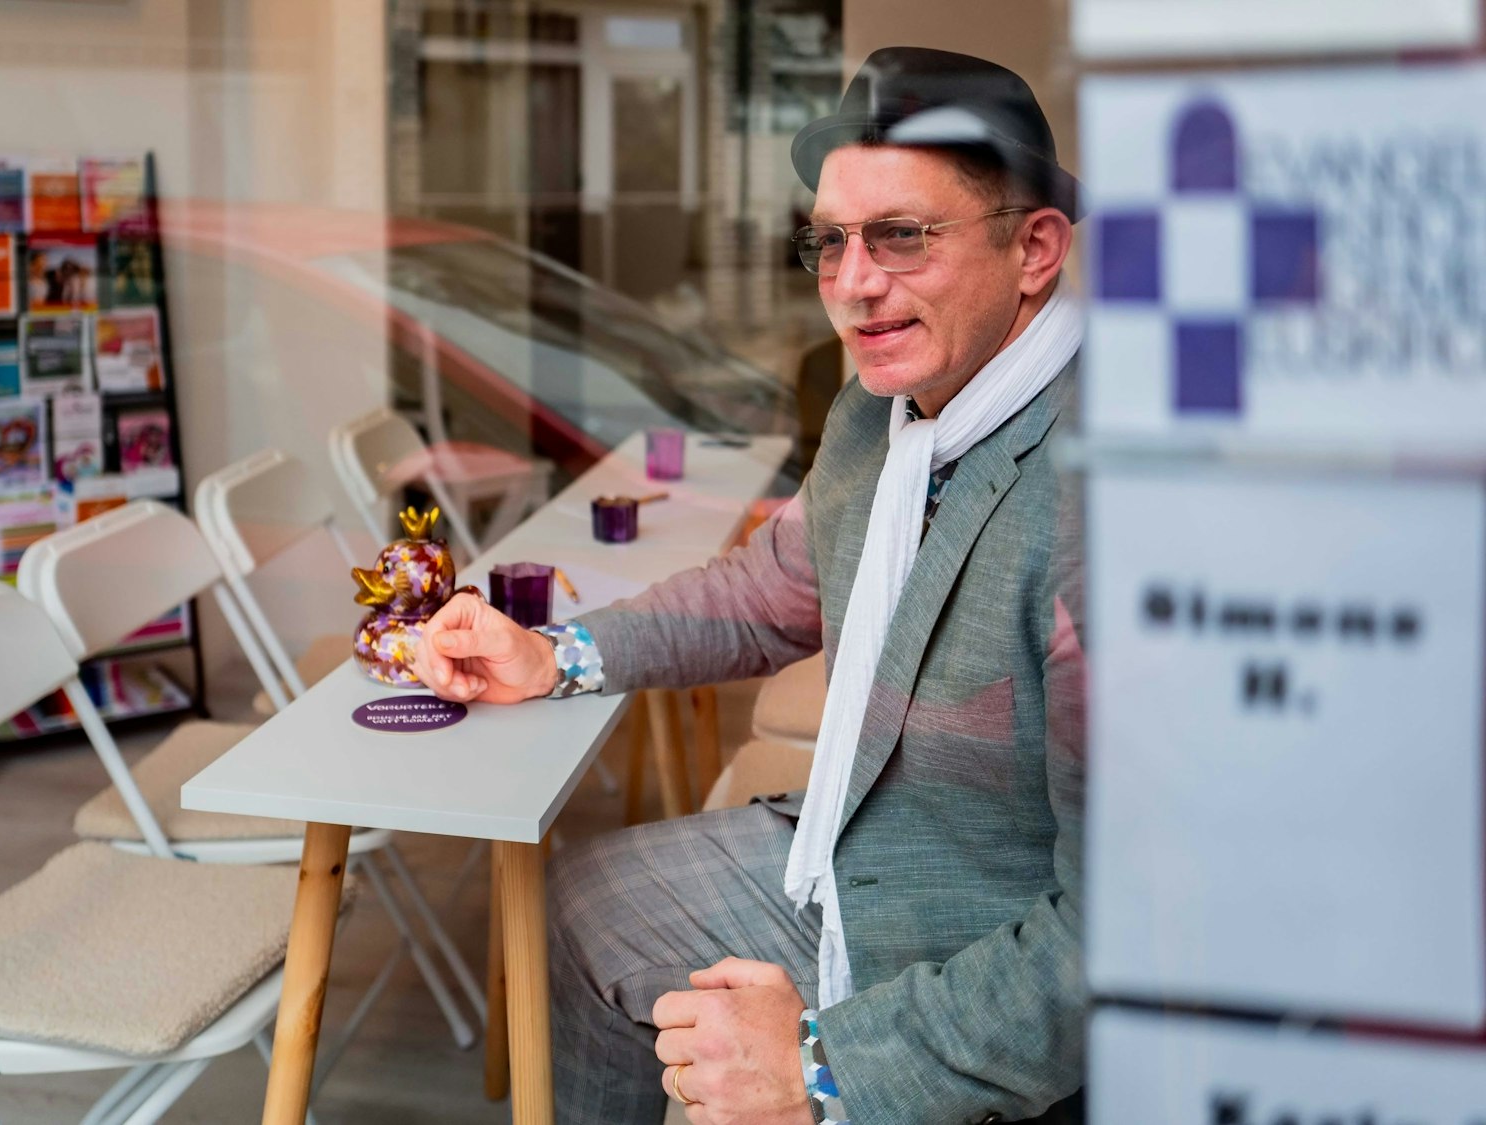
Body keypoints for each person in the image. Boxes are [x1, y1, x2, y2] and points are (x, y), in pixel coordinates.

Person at [411, 47, 1087, 1125]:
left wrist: (828, 1066)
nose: (854, 285)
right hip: (858, 836)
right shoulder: (882, 414)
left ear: (1034, 249)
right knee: (577, 907)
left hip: (971, 937)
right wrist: (557, 656)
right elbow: (772, 588)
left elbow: (1131, 938)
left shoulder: (1110, 505)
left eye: (902, 236)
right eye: (829, 242)